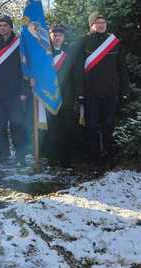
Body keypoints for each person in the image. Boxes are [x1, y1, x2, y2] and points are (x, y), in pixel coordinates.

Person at [78, 13, 130, 167]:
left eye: (103, 22)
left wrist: (124, 89)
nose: (101, 25)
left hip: (111, 91)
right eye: (97, 22)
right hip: (90, 92)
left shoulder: (114, 43)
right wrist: (80, 92)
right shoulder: (83, 42)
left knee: (108, 125)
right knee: (91, 126)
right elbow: (78, 70)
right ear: (91, 25)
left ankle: (108, 157)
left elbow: (122, 68)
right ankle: (93, 158)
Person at [0, 16, 31, 165]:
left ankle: (20, 155)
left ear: (11, 27)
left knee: (17, 125)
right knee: (0, 126)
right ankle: (3, 153)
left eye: (5, 25)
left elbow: (26, 69)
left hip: (16, 93)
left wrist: (25, 91)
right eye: (0, 25)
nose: (2, 28)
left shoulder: (20, 45)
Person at [43, 25, 80, 168]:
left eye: (59, 35)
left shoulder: (69, 54)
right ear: (50, 37)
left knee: (66, 129)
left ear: (63, 38)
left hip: (67, 97)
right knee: (52, 129)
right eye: (54, 35)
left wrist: (78, 94)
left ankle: (65, 160)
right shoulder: (45, 55)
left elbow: (76, 75)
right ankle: (52, 159)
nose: (57, 37)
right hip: (50, 96)